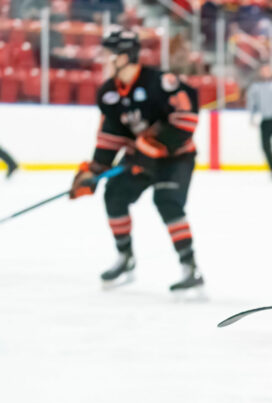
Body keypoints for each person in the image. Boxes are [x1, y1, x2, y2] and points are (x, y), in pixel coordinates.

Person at [69, 28, 204, 292]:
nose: (104, 59)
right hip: (139, 159)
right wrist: (94, 170)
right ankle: (125, 257)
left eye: (109, 53)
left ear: (124, 56)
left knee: (167, 201)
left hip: (175, 157)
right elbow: (110, 137)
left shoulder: (160, 82)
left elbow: (186, 119)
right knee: (114, 195)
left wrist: (153, 144)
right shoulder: (109, 93)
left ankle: (190, 267)